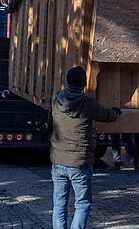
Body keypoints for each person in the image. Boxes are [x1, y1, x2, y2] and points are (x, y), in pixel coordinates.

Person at [51, 66, 121, 229]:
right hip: (79, 162)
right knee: (82, 204)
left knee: (59, 204)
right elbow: (106, 115)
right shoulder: (87, 103)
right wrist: (116, 113)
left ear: (67, 82)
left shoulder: (56, 99)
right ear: (84, 84)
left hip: (59, 160)